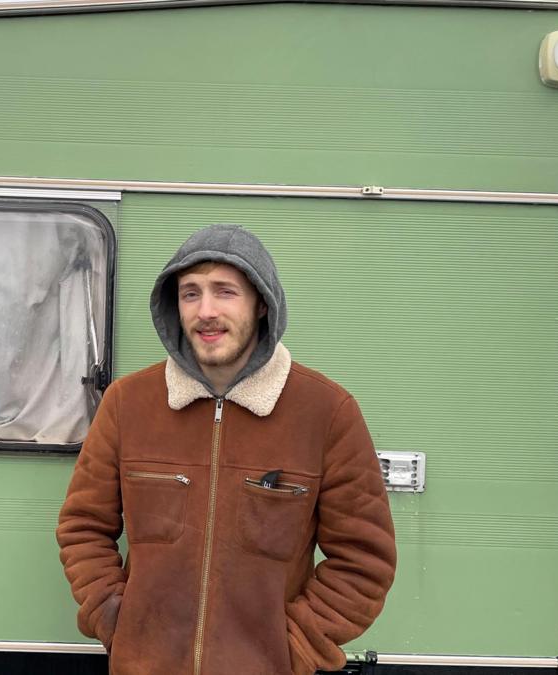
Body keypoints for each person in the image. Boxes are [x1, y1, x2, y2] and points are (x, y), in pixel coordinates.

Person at [56, 224, 396, 675]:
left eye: (225, 292)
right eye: (190, 293)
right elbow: (82, 527)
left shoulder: (327, 412)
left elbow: (364, 560)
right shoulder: (127, 404)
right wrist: (116, 619)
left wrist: (293, 648)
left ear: (260, 304)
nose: (206, 311)